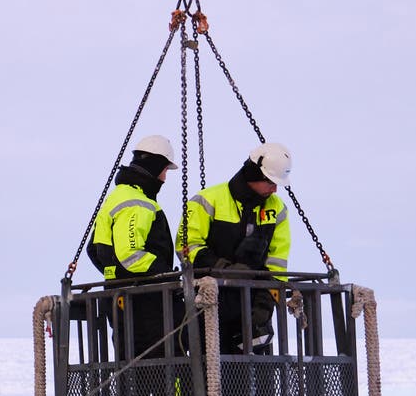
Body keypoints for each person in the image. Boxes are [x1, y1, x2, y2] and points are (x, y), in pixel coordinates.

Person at [182, 142, 294, 353]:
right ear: (255, 175)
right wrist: (224, 269)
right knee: (208, 374)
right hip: (208, 305)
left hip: (252, 308)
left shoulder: (277, 209)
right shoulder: (207, 200)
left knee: (259, 379)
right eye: (270, 182)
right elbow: (187, 246)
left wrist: (265, 304)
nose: (275, 189)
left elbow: (277, 262)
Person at [88, 134, 180, 359]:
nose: (165, 178)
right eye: (165, 170)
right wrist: (166, 275)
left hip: (119, 296)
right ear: (155, 166)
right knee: (166, 361)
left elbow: (94, 249)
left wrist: (114, 275)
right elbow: (130, 254)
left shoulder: (116, 197)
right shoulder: (138, 204)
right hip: (145, 302)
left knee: (129, 363)